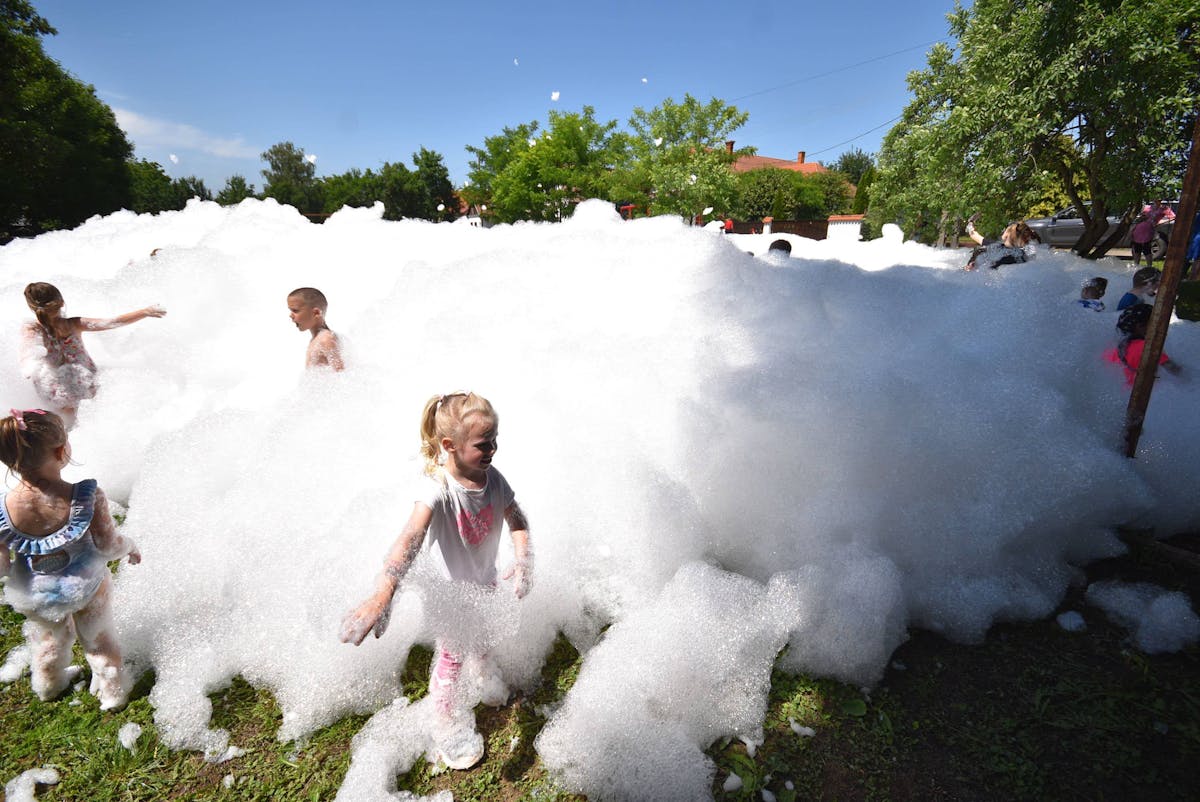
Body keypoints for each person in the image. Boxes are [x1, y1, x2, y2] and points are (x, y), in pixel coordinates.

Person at [340, 392, 531, 770]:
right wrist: (383, 594)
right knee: (451, 659)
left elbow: (517, 519)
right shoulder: (437, 488)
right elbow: (410, 538)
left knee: (483, 637)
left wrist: (524, 558)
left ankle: (484, 675)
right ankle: (445, 724)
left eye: (494, 439)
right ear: (450, 445)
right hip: (450, 598)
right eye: (483, 444)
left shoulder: (494, 480)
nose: (493, 449)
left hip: (485, 584)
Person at [0, 409, 141, 708]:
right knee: (98, 638)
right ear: (61, 450)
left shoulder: (4, 509)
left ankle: (49, 685)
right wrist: (129, 546)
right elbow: (108, 546)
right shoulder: (87, 496)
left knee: (49, 639)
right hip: (85, 587)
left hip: (36, 594)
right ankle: (112, 692)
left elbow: (2, 564)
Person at [20, 283, 166, 427]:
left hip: (55, 392)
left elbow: (28, 350)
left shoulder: (32, 329)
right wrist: (145, 312)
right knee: (92, 421)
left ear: (33, 308)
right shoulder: (74, 324)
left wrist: (28, 366)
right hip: (85, 384)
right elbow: (112, 322)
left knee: (68, 426)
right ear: (62, 302)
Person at [1104, 304, 1180, 385]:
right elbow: (1177, 372)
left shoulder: (1113, 350)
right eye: (1157, 323)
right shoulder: (1148, 348)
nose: (1160, 327)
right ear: (1140, 326)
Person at [286, 287, 344, 372]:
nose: (291, 315)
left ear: (316, 313)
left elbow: (341, 373)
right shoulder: (316, 339)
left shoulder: (326, 339)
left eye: (295, 310)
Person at [964, 220, 1036, 270]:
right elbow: (974, 235)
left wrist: (970, 224)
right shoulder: (1022, 256)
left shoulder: (994, 246)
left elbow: (973, 235)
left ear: (1007, 233)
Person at [1131, 200, 1173, 269]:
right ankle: (1136, 265)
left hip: (1148, 229)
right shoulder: (1147, 207)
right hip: (1139, 228)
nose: (1157, 201)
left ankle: (1149, 266)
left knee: (1146, 247)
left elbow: (1173, 217)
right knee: (1137, 248)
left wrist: (1159, 222)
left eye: (1159, 200)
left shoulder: (1164, 209)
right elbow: (1141, 217)